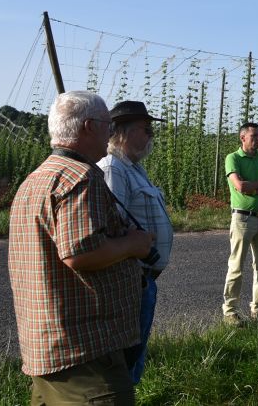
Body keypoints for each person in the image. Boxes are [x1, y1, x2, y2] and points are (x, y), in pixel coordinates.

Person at [8, 91, 154, 405]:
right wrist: (132, 244)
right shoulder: (80, 177)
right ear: (89, 126)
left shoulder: (36, 178)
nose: (110, 134)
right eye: (107, 125)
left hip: (47, 344)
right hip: (85, 353)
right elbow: (80, 253)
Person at [98, 100, 173, 384]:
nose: (151, 135)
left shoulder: (133, 167)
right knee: (126, 363)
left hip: (144, 279)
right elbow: (113, 225)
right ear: (124, 133)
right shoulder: (113, 169)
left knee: (135, 357)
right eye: (146, 129)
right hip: (131, 280)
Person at [222, 122, 258, 325]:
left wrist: (252, 187)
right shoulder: (233, 158)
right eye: (254, 136)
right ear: (242, 137)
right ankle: (230, 311)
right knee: (236, 266)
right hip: (242, 218)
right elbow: (239, 186)